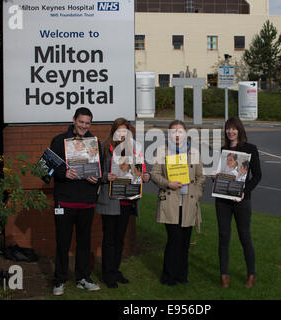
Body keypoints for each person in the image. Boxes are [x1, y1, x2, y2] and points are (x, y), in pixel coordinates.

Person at [50, 107, 101, 296]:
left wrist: (97, 177)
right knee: (63, 243)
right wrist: (64, 173)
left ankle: (82, 278)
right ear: (74, 120)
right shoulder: (58, 141)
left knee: (84, 243)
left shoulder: (95, 144)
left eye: (87, 123)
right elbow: (44, 169)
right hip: (64, 202)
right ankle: (59, 280)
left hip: (87, 203)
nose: (84, 126)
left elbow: (101, 171)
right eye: (81, 122)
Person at [96, 118, 150, 289]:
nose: (122, 134)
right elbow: (96, 172)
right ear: (113, 131)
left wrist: (144, 176)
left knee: (119, 239)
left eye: (125, 131)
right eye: (119, 131)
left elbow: (140, 171)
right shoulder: (104, 147)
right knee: (109, 239)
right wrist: (106, 177)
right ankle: (108, 274)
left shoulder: (134, 149)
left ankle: (115, 269)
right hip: (110, 200)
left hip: (127, 201)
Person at [150, 120, 206, 286]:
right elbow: (154, 174)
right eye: (173, 131)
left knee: (184, 242)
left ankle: (182, 275)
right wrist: (168, 183)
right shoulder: (162, 151)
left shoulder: (194, 153)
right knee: (174, 240)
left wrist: (196, 192)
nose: (176, 134)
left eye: (180, 131)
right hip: (170, 201)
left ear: (185, 133)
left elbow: (201, 177)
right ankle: (168, 276)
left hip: (188, 202)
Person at [215, 116, 262, 289]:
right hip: (223, 200)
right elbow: (223, 175)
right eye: (228, 128)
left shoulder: (250, 149)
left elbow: (257, 176)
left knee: (245, 236)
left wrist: (244, 191)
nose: (231, 131)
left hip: (242, 200)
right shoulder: (223, 150)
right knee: (223, 237)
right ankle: (224, 275)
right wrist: (216, 178)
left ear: (239, 130)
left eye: (234, 128)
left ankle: (251, 274)